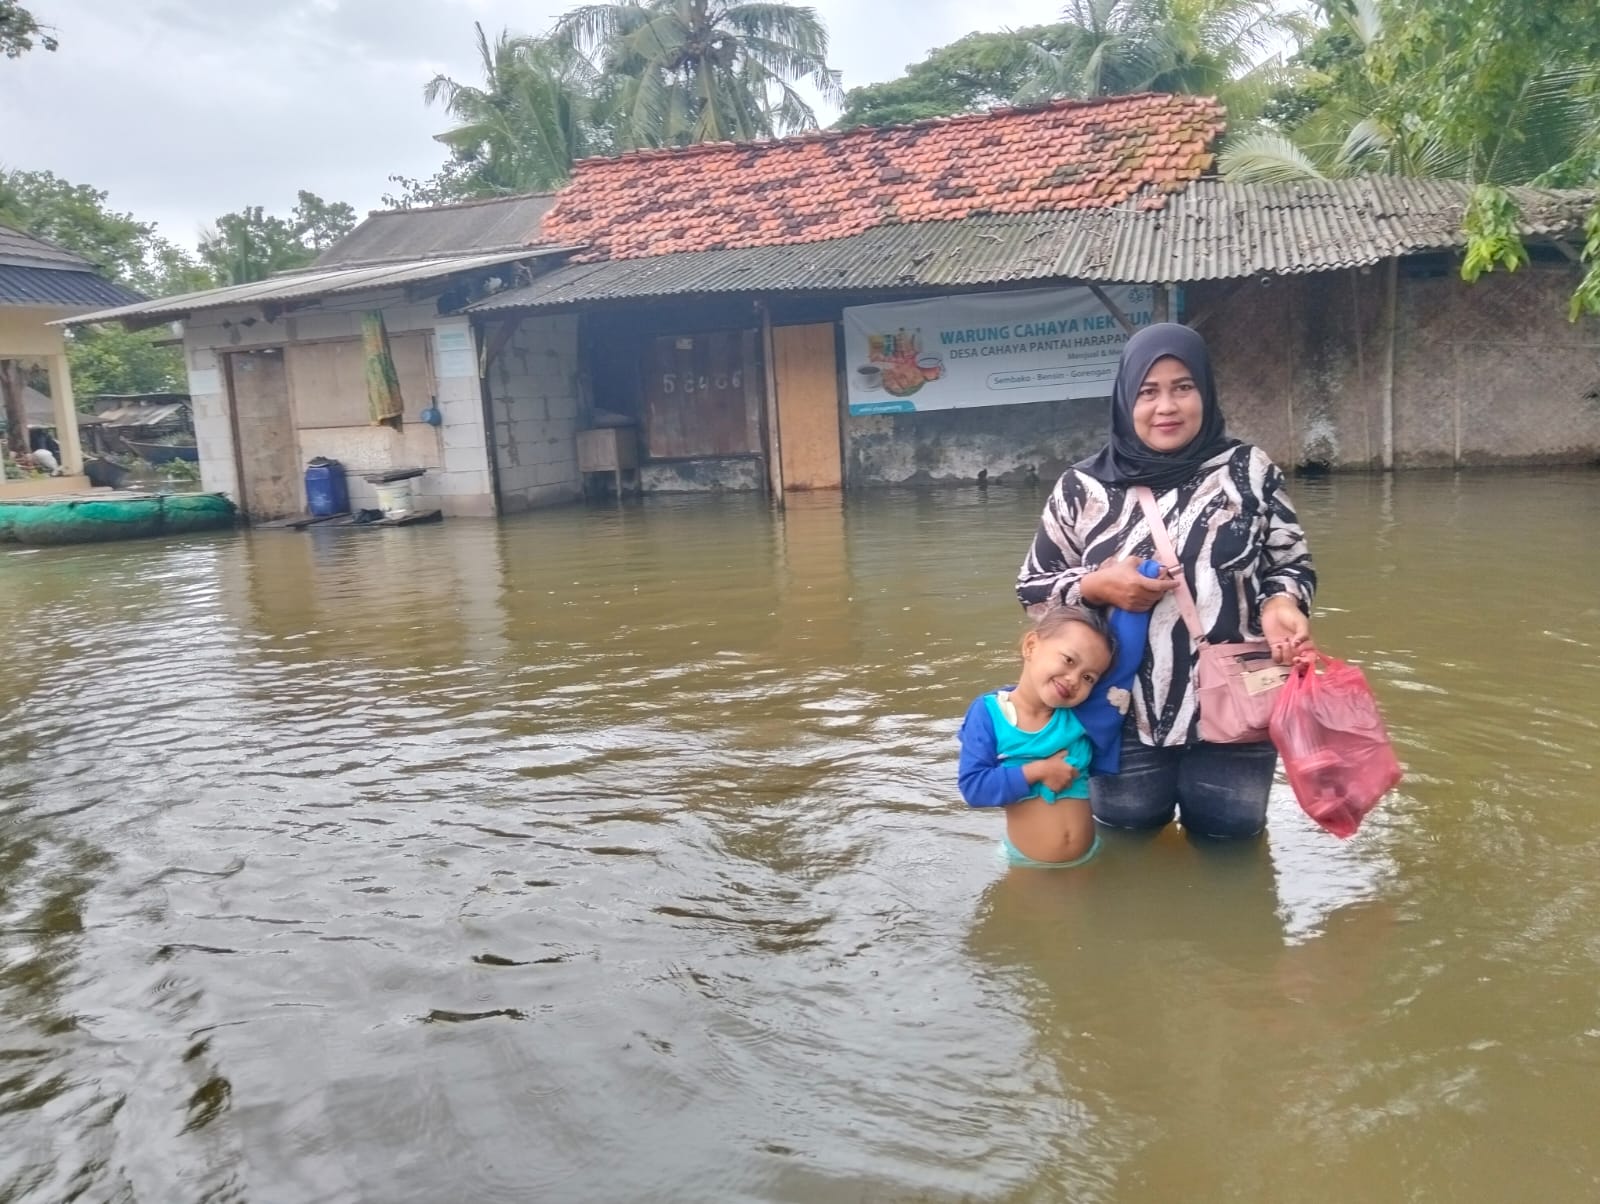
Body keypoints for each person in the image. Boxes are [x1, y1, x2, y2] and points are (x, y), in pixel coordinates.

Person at [1016, 323, 1317, 840]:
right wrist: (1096, 586)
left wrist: (1282, 603)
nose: (1167, 407)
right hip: (1120, 712)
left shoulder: (1249, 470)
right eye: (1148, 392)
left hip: (1239, 707)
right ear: (1124, 399)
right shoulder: (1081, 487)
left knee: (1231, 847)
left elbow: (1289, 561)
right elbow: (1032, 588)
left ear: (1205, 391)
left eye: (1183, 387)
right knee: (1126, 844)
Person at [957, 605, 1115, 868]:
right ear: (1031, 646)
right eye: (1069, 660)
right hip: (1030, 867)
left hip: (1088, 857)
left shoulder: (1080, 715)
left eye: (1088, 677)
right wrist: (1038, 771)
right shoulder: (990, 714)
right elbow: (974, 788)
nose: (1074, 679)